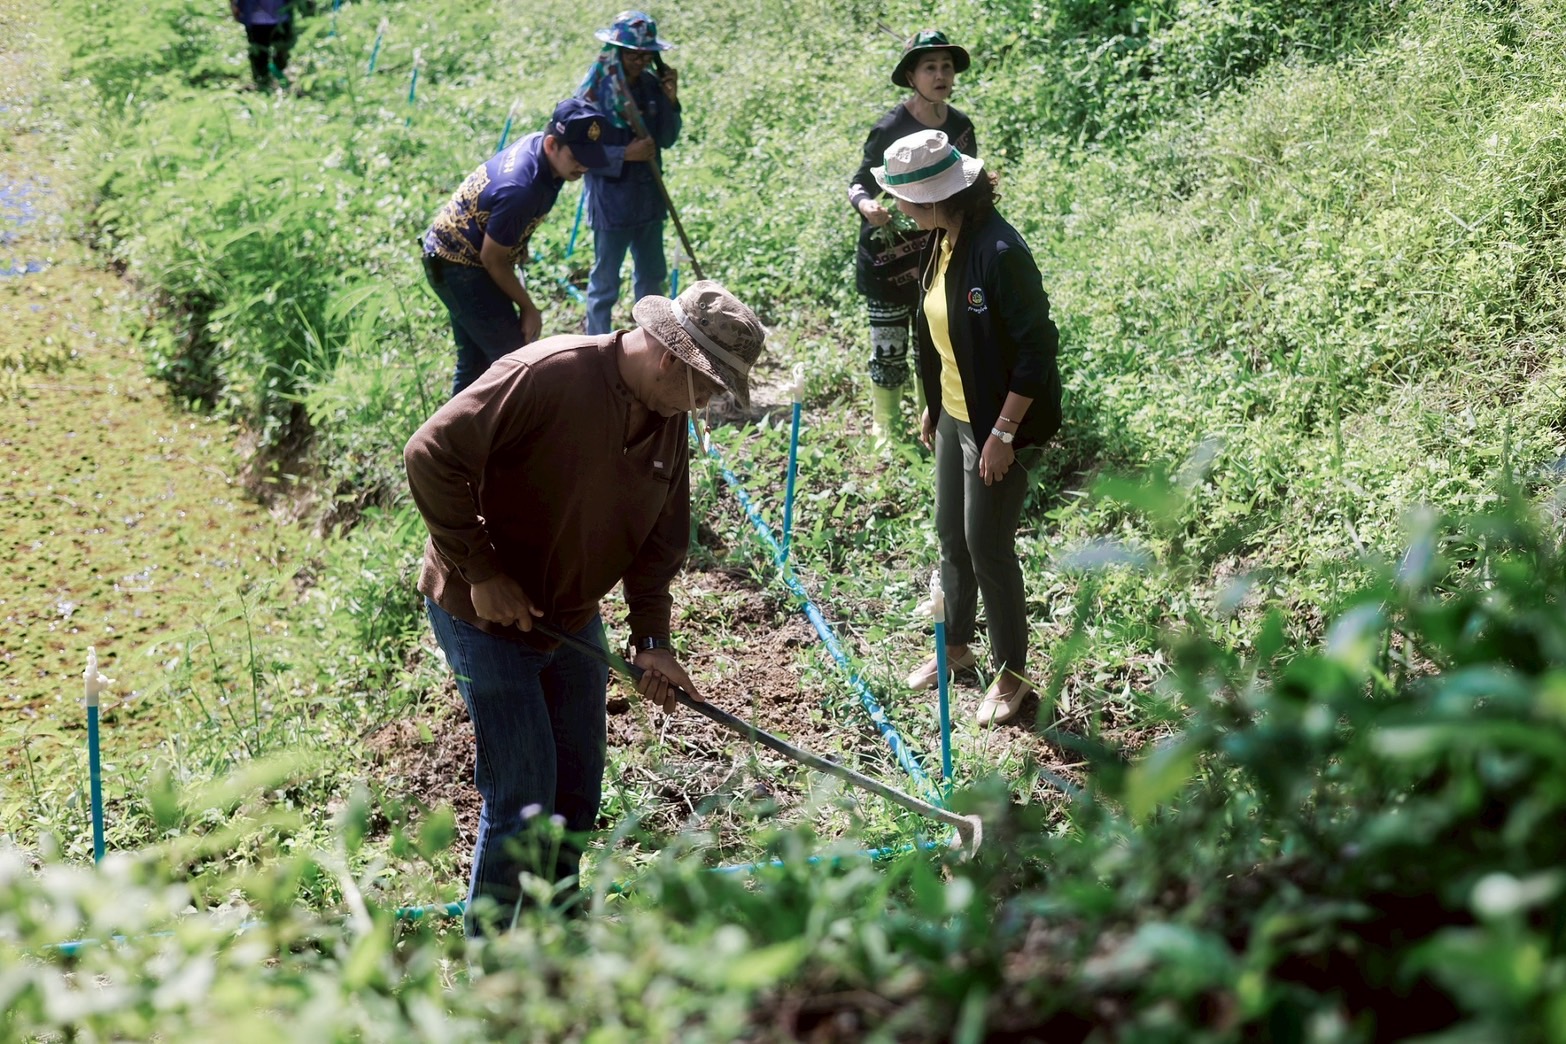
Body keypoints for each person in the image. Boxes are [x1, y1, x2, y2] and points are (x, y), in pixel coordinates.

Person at [404, 279, 765, 935]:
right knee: (521, 795)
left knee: (576, 788)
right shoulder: (549, 375)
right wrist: (481, 570)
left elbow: (660, 541)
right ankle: (493, 962)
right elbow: (430, 453)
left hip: (571, 618)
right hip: (484, 615)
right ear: (670, 359)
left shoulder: (666, 421)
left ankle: (559, 926)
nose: (707, 403)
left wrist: (652, 638)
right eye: (708, 386)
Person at [872, 130, 1061, 727]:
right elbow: (939, 329)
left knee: (988, 547)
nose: (896, 207)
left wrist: (1003, 434)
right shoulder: (942, 240)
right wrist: (934, 402)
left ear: (932, 198)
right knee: (950, 536)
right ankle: (954, 648)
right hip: (956, 413)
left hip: (997, 421)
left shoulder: (1000, 252)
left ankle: (1013, 676)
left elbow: (1037, 351)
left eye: (902, 197)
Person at [422, 98, 611, 397]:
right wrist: (528, 307)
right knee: (515, 362)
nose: (584, 166)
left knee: (475, 365)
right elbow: (492, 259)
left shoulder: (544, 155)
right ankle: (492, 437)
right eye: (578, 156)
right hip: (459, 265)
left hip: (469, 257)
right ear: (552, 145)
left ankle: (455, 440)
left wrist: (517, 242)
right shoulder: (520, 188)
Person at [848, 30, 977, 444]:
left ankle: (935, 425)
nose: (940, 75)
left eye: (947, 67)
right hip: (887, 259)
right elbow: (859, 183)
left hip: (936, 257)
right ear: (911, 75)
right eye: (930, 67)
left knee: (935, 346)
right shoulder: (890, 126)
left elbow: (966, 186)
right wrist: (868, 207)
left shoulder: (959, 127)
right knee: (888, 347)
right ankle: (885, 430)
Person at [576, 10, 682, 335]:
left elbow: (666, 137)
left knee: (652, 279)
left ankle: (650, 343)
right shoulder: (594, 93)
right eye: (632, 53)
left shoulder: (652, 85)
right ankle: (595, 350)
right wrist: (626, 154)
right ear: (617, 51)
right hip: (612, 202)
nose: (640, 60)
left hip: (649, 199)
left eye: (646, 54)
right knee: (605, 283)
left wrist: (671, 100)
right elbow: (579, 151)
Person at [230, 0, 296, 91]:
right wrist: (233, 4)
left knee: (282, 53)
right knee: (259, 54)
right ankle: (262, 82)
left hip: (281, 15)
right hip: (255, 17)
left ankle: (282, 80)